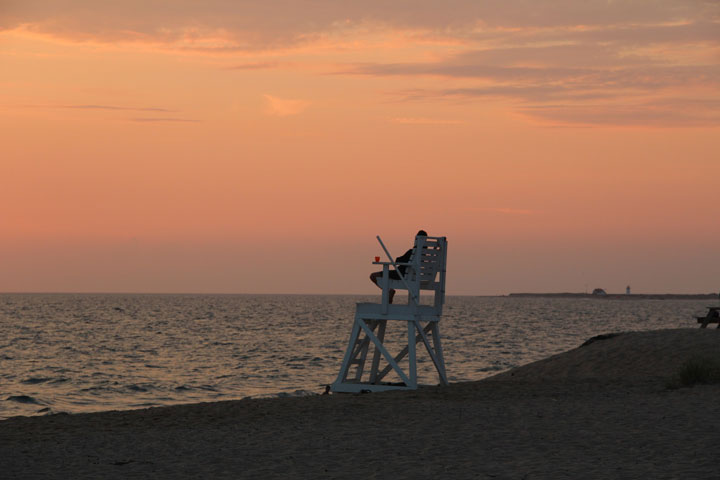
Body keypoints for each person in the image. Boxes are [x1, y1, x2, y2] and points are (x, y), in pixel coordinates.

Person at [369, 230, 427, 304]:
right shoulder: (425, 254)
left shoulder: (412, 252)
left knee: (373, 276)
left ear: (417, 240)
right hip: (414, 277)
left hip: (400, 274)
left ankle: (388, 291)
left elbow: (398, 260)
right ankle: (389, 291)